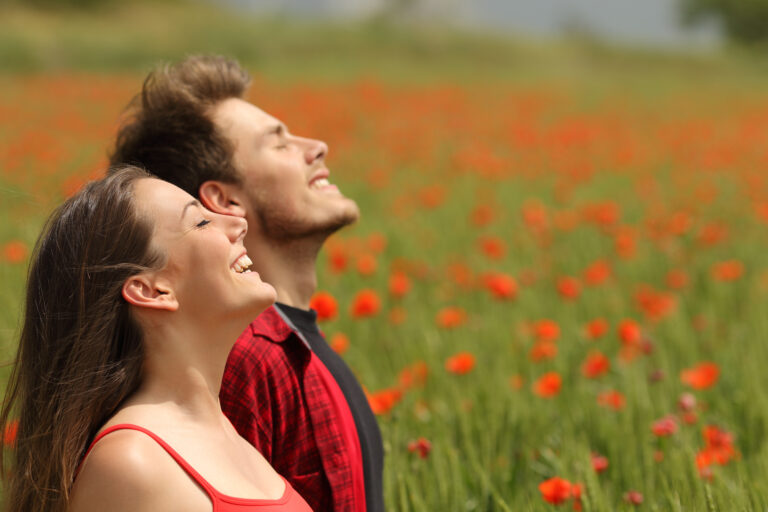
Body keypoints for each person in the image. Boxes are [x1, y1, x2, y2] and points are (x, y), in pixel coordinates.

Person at [109, 55, 384, 512]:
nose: (316, 146)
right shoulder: (243, 358)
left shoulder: (289, 342)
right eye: (279, 145)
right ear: (224, 200)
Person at [0, 167, 313, 512]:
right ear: (151, 290)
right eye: (201, 222)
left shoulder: (227, 433)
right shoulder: (132, 465)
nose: (239, 222)